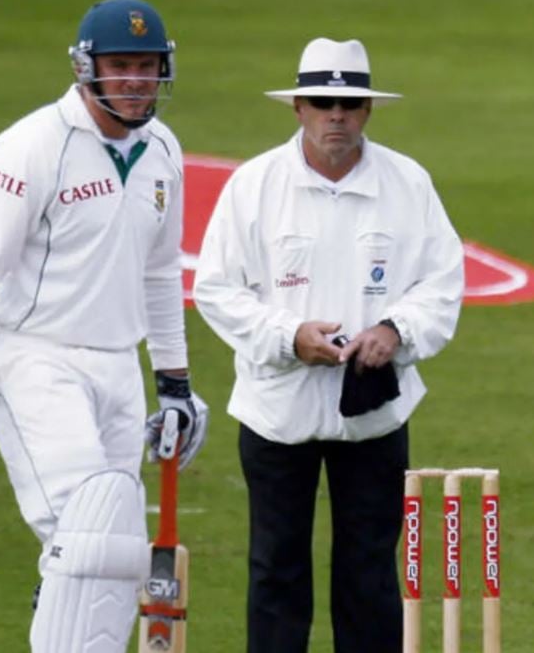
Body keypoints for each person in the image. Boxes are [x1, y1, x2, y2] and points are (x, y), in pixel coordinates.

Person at [0, 0, 208, 651]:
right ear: (87, 67)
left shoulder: (163, 149)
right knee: (87, 533)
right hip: (33, 357)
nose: (136, 80)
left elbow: (161, 275)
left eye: (147, 65)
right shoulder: (32, 145)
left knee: (120, 552)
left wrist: (175, 384)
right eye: (121, 65)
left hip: (118, 362)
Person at [193, 37, 464, 653]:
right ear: (298, 108)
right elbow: (215, 290)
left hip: (372, 411)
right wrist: (289, 337)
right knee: (275, 570)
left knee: (369, 575)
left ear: (368, 110)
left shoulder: (408, 183)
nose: (335, 115)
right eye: (322, 101)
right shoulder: (254, 185)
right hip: (276, 409)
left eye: (349, 103)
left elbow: (442, 284)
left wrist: (394, 331)